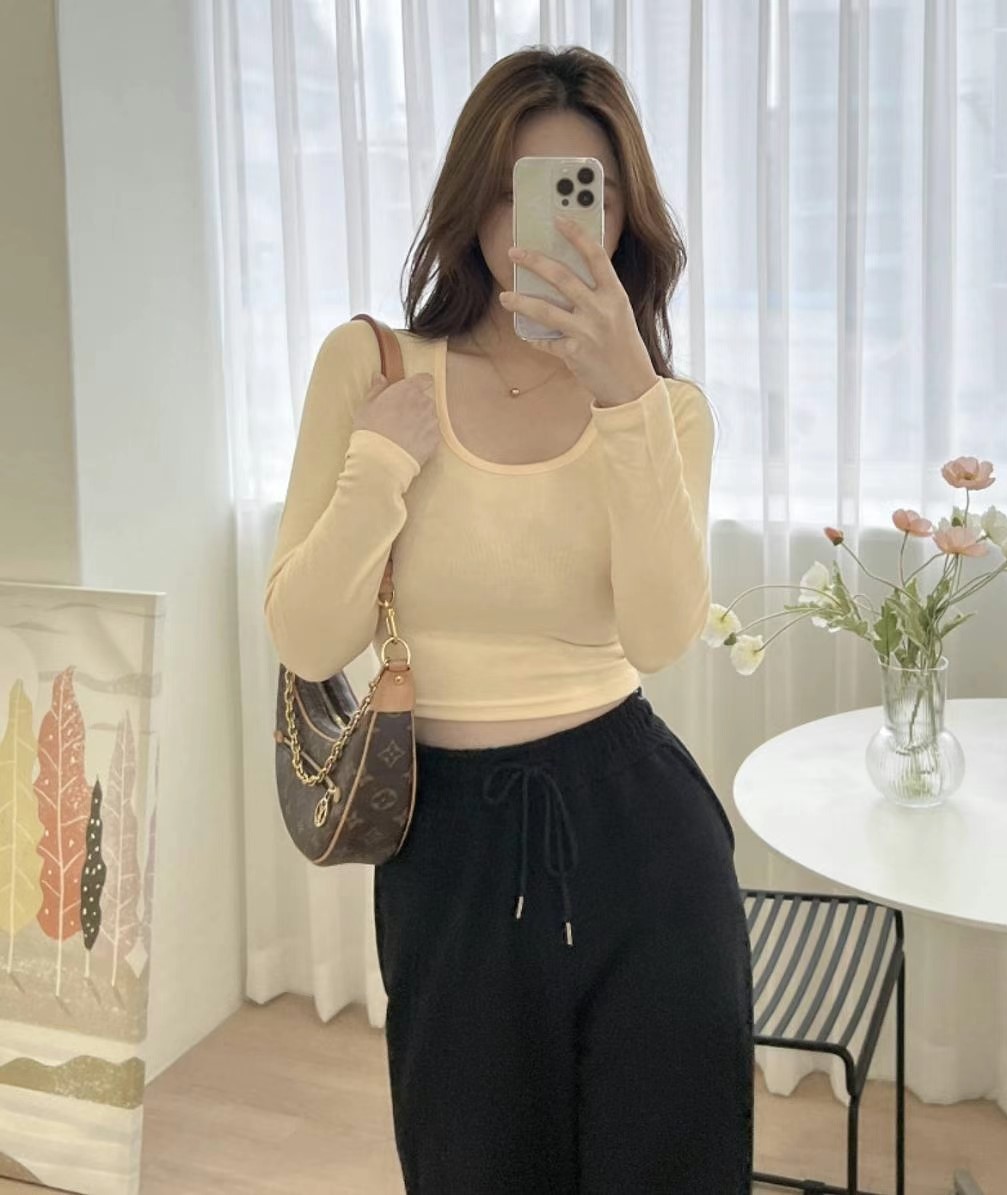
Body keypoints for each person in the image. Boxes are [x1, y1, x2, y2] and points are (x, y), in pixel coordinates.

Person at [264, 44, 753, 1195]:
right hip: (449, 841)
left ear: (627, 214)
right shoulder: (374, 367)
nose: (549, 224)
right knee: (470, 1163)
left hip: (641, 832)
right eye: (518, 188)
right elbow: (305, 638)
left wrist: (626, 398)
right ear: (473, 199)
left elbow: (661, 636)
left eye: (587, 190)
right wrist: (381, 465)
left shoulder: (666, 411)